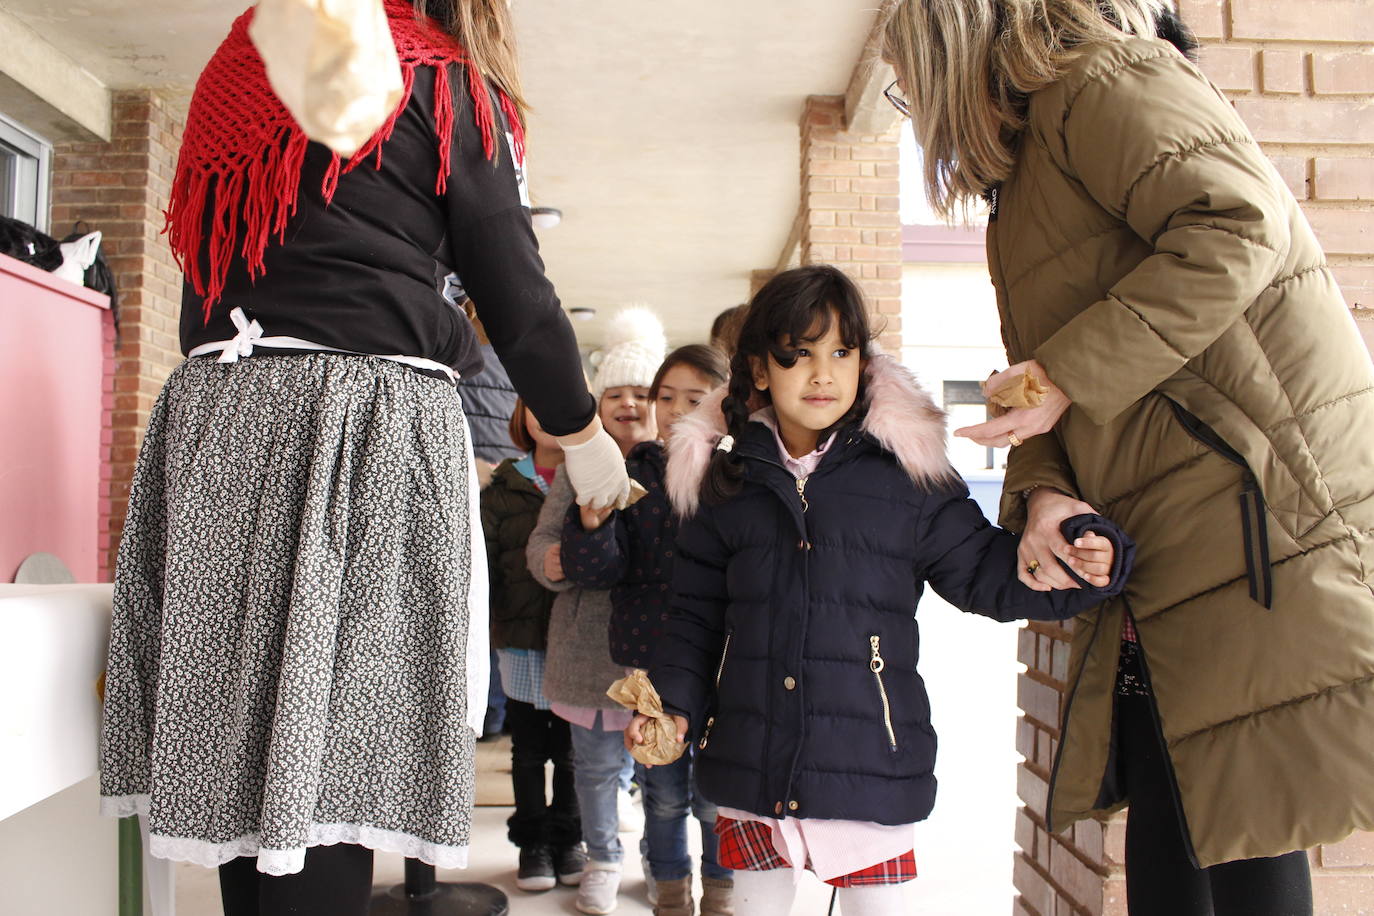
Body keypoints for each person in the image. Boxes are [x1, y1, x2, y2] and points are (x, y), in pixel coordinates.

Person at [98, 2, 630, 915]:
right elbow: (517, 294)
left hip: (217, 420)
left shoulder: (243, 62)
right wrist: (584, 437)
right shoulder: (440, 78)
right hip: (358, 424)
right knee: (338, 754)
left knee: (243, 743)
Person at [882, 1, 1374, 913]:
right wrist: (1039, 497)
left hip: (1257, 525)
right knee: (1179, 845)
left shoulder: (1102, 83)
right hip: (1165, 557)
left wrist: (1062, 376)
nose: (906, 96)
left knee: (1241, 839)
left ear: (951, 44)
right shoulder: (1020, 186)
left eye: (903, 71)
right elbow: (1041, 395)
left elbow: (1237, 225)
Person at [634, 266, 1133, 916]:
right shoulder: (723, 487)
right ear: (758, 371)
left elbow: (985, 572)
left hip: (872, 762)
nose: (822, 374)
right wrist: (671, 705)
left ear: (863, 363)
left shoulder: (907, 478)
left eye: (840, 352)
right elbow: (694, 621)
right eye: (798, 354)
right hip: (752, 764)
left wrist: (1079, 560)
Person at [562, 344, 733, 916]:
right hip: (649, 659)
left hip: (724, 661)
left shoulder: (738, 475)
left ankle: (724, 886)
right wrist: (590, 521)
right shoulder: (632, 472)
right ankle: (669, 885)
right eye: (667, 397)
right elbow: (603, 569)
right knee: (661, 793)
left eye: (696, 398)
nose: (678, 410)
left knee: (714, 795)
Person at [528, 308, 667, 915]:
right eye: (616, 393)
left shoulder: (677, 464)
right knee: (592, 768)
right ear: (597, 403)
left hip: (659, 650)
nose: (629, 404)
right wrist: (550, 561)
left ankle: (663, 862)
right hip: (588, 649)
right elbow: (538, 541)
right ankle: (602, 858)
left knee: (661, 771)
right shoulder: (577, 464)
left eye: (643, 393)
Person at [483, 398, 586, 892]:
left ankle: (569, 839)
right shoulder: (503, 486)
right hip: (520, 642)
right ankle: (533, 845)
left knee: (570, 753)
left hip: (575, 644)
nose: (547, 412)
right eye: (535, 402)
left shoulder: (591, 478)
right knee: (527, 752)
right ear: (521, 414)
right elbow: (485, 563)